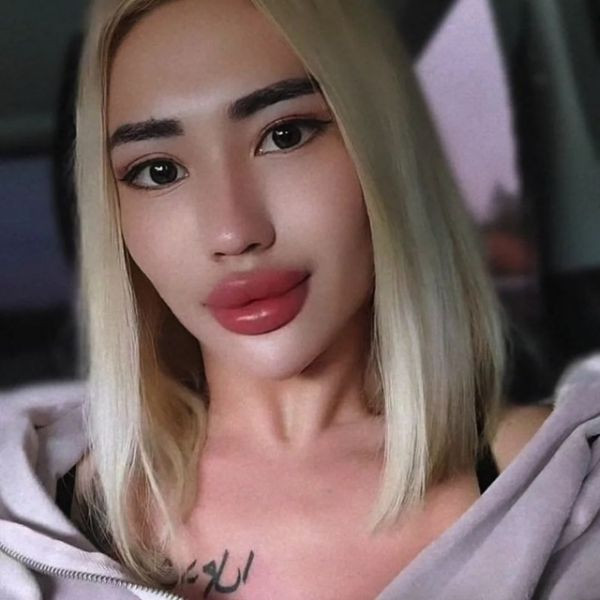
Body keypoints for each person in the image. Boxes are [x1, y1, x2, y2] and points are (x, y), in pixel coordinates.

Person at [0, 1, 598, 599]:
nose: (233, 232)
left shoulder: (565, 490)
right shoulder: (26, 514)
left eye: (284, 136)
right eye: (158, 171)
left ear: (381, 148)